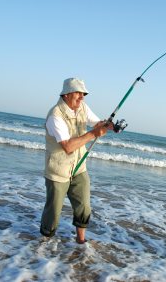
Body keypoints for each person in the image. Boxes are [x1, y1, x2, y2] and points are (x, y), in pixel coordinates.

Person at [40, 77, 112, 243]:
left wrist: (109, 126)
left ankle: (81, 241)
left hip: (79, 167)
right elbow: (68, 146)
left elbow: (96, 123)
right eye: (78, 93)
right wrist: (94, 134)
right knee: (53, 213)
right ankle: (44, 243)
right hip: (58, 171)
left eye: (83, 94)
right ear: (66, 94)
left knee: (84, 206)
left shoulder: (82, 107)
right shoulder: (55, 115)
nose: (82, 97)